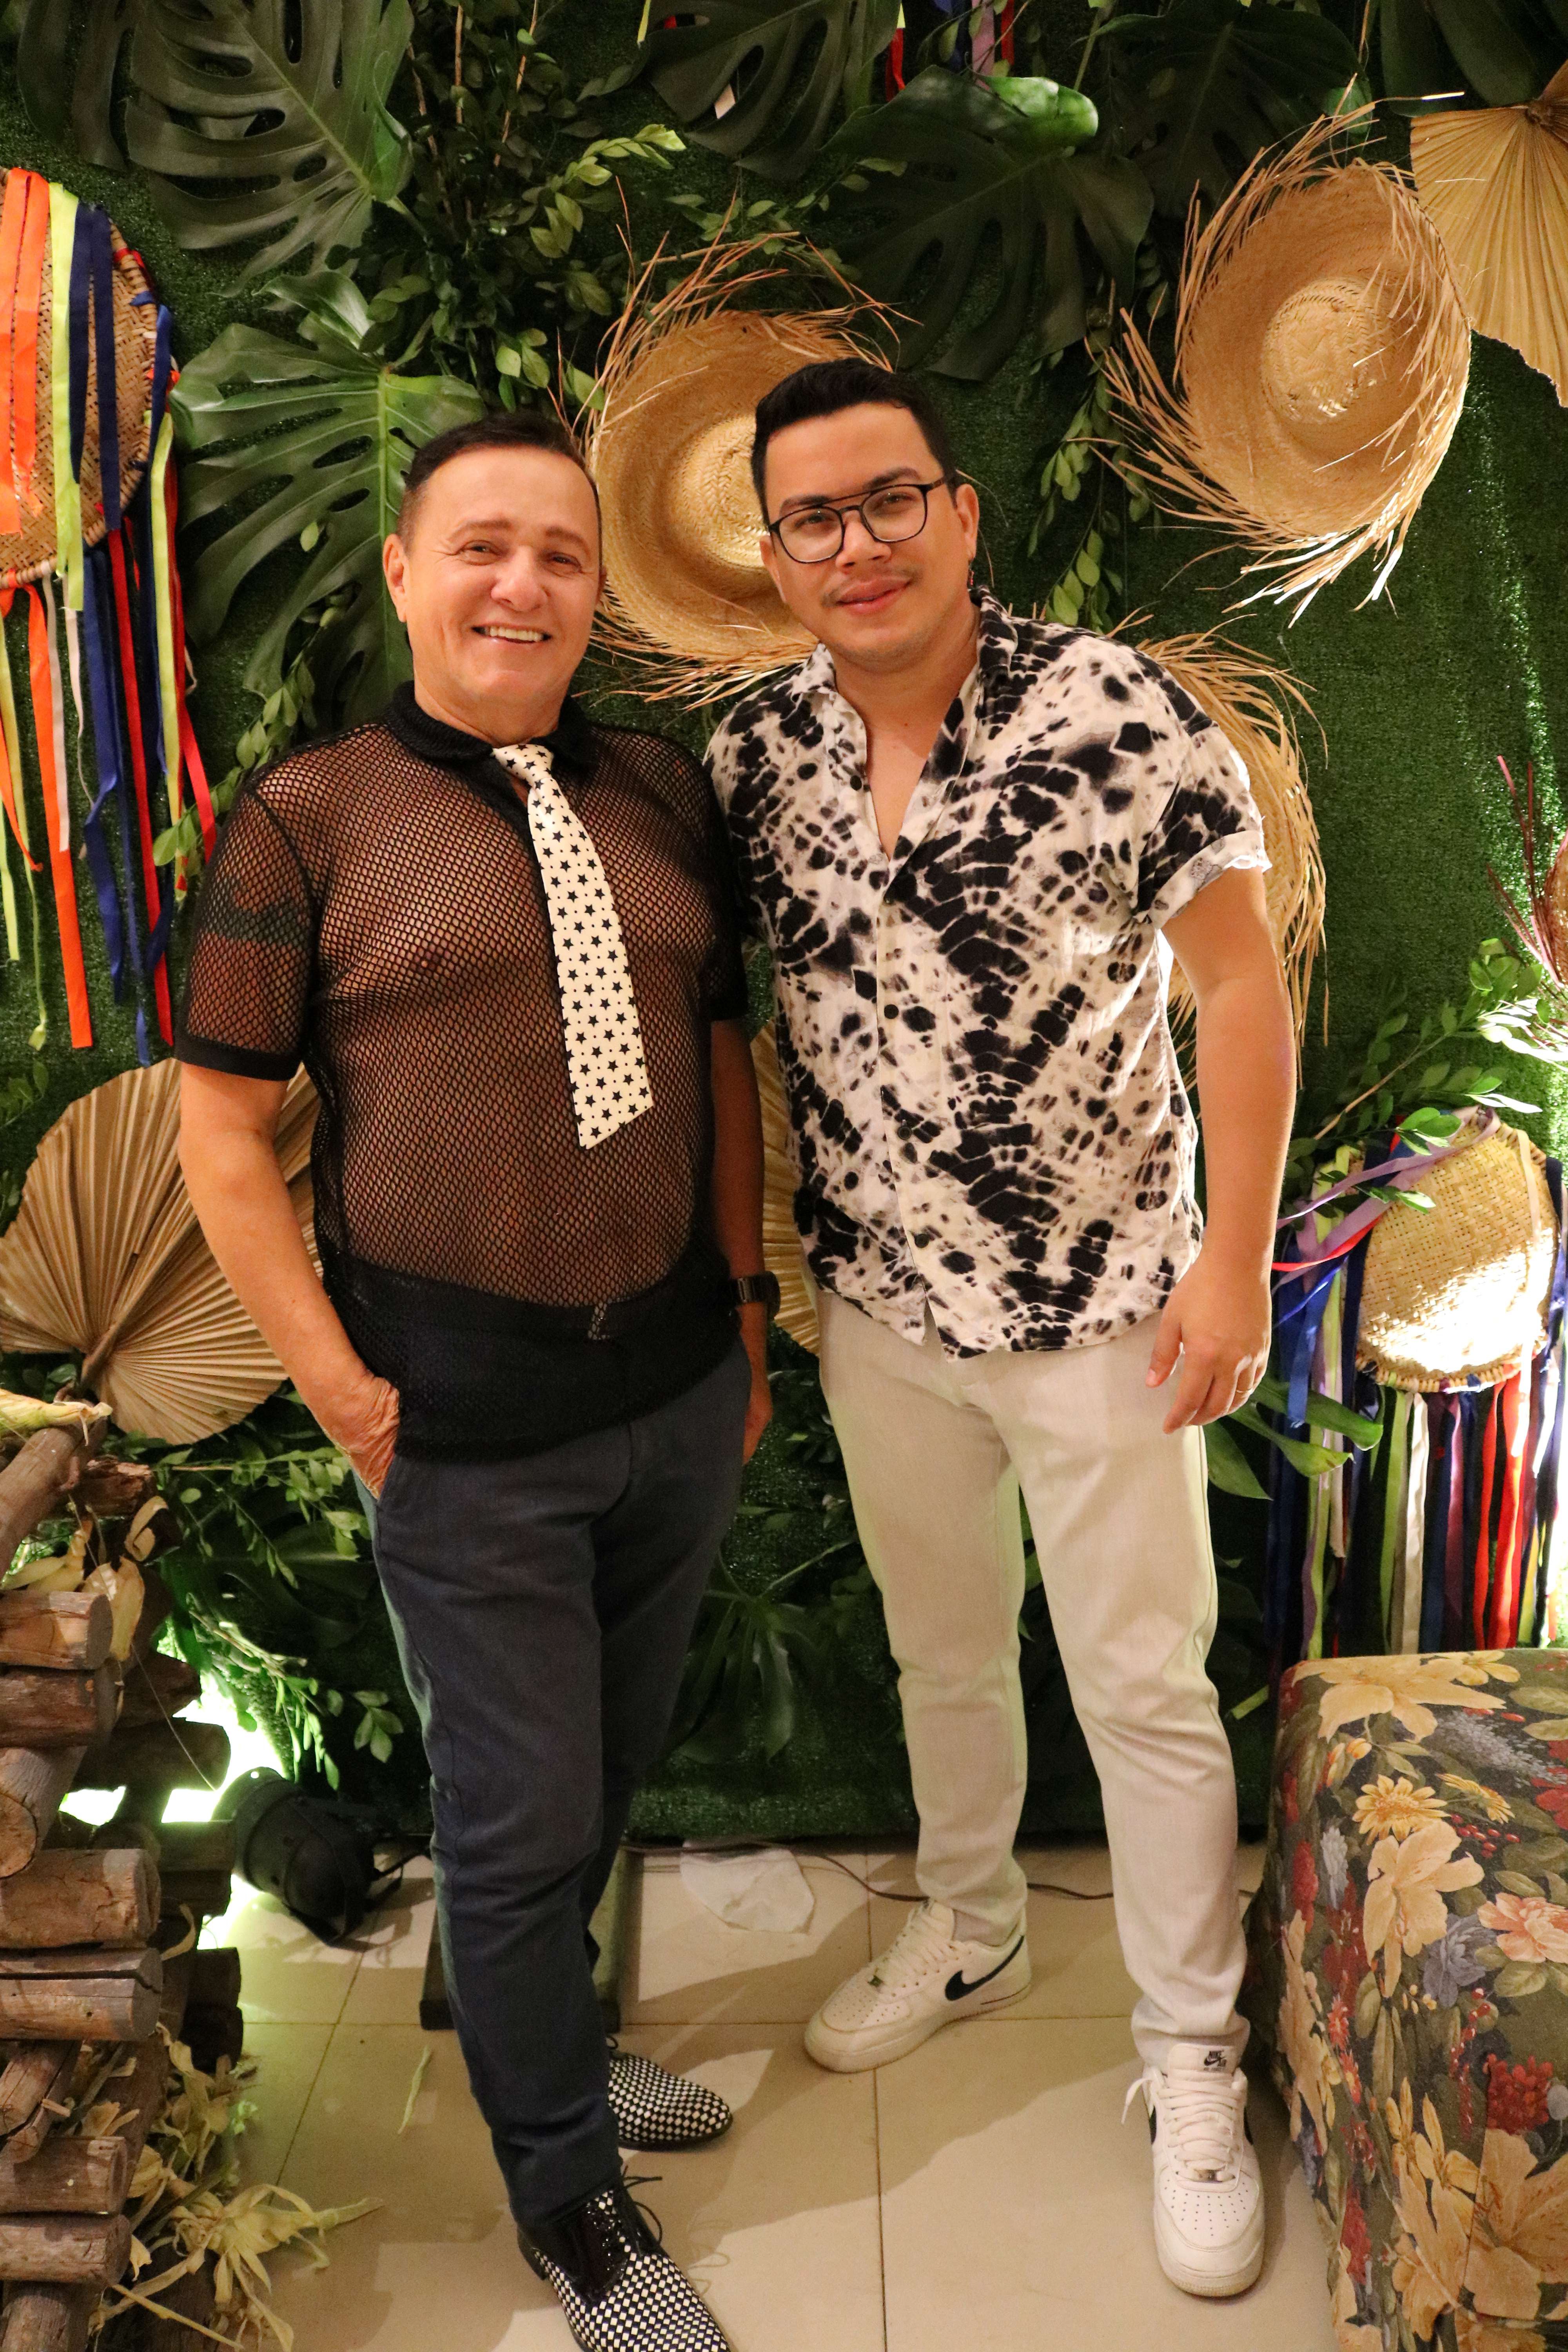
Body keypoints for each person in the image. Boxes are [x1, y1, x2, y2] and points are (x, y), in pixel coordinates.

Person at [176, 410, 776, 2352]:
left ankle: (563, 2055)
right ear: (405, 573)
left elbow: (719, 1057)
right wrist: (341, 1391)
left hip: (673, 1387)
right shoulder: (310, 820)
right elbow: (221, 1135)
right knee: (516, 1822)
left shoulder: (660, 790)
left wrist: (745, 1311)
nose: (523, 585)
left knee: (606, 1770)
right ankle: (571, 2206)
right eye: (483, 547)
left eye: (561, 556)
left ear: (596, 590)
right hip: (457, 1417)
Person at [707, 361, 1296, 2302]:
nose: (856, 544)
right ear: (775, 554)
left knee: (1142, 1686)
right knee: (941, 1650)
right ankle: (969, 1922)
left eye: (889, 499)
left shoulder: (1113, 708)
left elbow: (1236, 988)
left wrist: (1232, 1263)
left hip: (1109, 1308)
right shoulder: (754, 755)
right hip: (881, 1310)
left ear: (960, 511)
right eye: (814, 517)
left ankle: (1189, 2058)